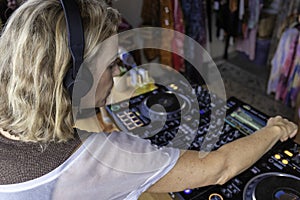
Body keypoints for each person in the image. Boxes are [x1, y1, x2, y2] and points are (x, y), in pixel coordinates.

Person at [0, 0, 298, 199]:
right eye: (111, 64)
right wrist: (274, 130)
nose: (118, 73)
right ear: (73, 80)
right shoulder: (103, 157)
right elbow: (220, 167)